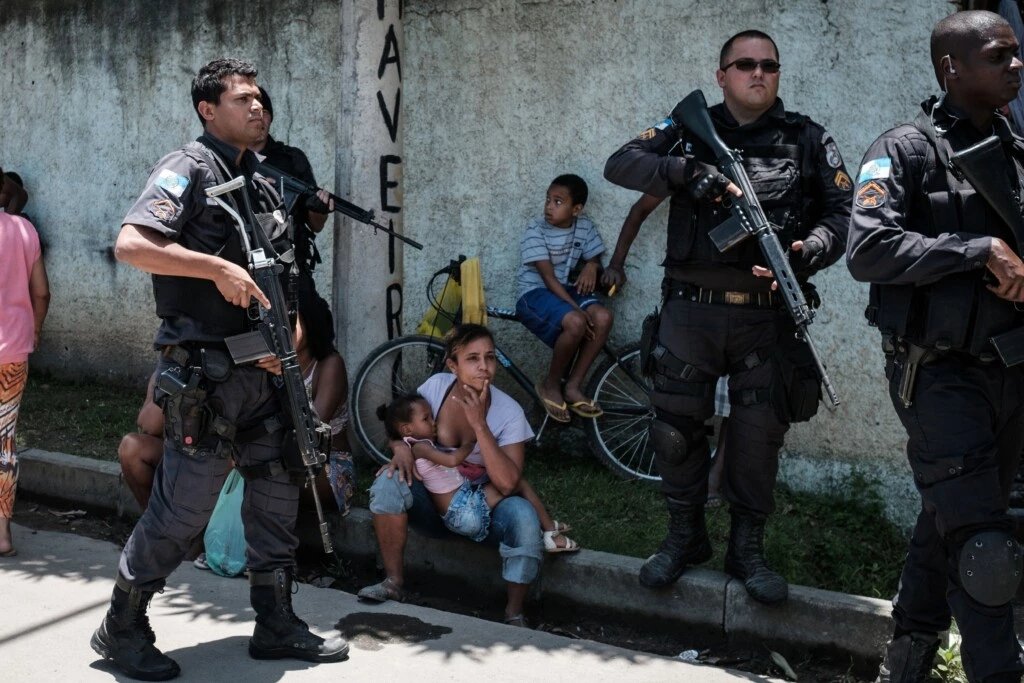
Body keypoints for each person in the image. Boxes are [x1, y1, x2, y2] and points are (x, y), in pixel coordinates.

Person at [90, 58, 348, 681]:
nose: (257, 108)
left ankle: (276, 620)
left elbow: (278, 268)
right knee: (181, 512)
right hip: (209, 376)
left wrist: (289, 339)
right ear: (209, 110)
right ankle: (121, 624)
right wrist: (214, 269)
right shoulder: (188, 169)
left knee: (275, 498)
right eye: (242, 100)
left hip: (268, 377)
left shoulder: (260, 177)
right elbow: (131, 243)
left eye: (259, 99)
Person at [603, 29, 852, 604]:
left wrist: (810, 248)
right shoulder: (687, 129)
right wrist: (686, 172)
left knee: (758, 438)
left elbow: (844, 213)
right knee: (674, 433)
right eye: (744, 65)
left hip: (766, 317)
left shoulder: (807, 138)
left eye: (768, 65)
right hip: (691, 314)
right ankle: (684, 538)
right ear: (722, 76)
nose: (757, 73)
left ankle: (748, 550)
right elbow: (622, 163)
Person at [847, 11, 1024, 682]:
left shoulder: (1013, 150)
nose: (1016, 65)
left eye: (1016, 53)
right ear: (952, 68)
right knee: (985, 545)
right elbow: (867, 248)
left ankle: (910, 654)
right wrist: (976, 250)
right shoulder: (905, 149)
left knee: (950, 511)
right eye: (998, 55)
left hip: (1009, 370)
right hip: (937, 373)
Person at [357, 324, 546, 628]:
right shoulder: (436, 388)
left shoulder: (509, 413)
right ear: (452, 365)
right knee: (388, 481)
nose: (484, 367)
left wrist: (480, 425)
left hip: (483, 509)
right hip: (433, 504)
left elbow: (508, 484)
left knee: (523, 516)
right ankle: (393, 581)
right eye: (472, 358)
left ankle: (515, 613)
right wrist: (400, 449)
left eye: (490, 358)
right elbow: (402, 426)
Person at [379, 392, 578, 550]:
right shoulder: (420, 447)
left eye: (432, 415)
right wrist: (470, 443)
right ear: (407, 430)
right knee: (518, 484)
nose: (433, 421)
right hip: (462, 511)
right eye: (426, 418)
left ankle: (545, 525)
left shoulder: (418, 445)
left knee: (513, 485)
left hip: (461, 507)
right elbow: (452, 459)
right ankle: (550, 532)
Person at [515, 174, 613, 422]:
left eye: (558, 202)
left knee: (602, 317)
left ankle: (572, 386)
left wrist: (592, 265)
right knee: (576, 323)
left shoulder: (584, 227)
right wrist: (576, 309)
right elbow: (548, 278)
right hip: (535, 293)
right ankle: (550, 384)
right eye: (548, 199)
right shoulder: (535, 230)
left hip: (565, 291)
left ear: (576, 209)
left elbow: (593, 257)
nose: (549, 206)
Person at [0, 181, 50, 557]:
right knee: (5, 440)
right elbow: (42, 292)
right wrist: (33, 330)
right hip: (13, 351)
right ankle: (3, 534)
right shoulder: (22, 229)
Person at [252, 86, 332, 296]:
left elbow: (315, 225)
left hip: (291, 264)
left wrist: (320, 209)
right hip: (246, 263)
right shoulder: (225, 160)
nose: (260, 119)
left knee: (318, 321)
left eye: (265, 113)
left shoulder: (292, 160)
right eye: (254, 113)